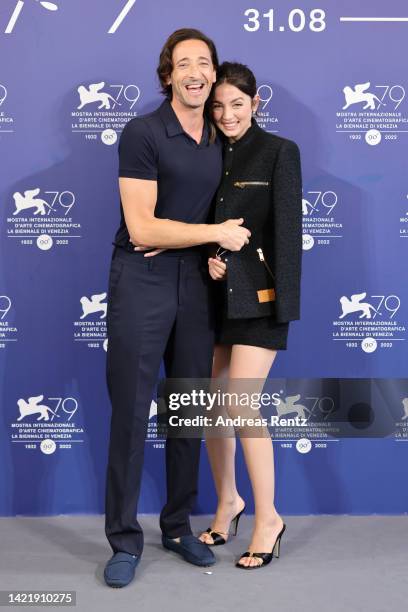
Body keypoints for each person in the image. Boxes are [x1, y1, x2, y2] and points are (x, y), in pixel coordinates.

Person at [103, 32, 251, 588]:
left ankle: (177, 525)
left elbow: (233, 210)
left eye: (204, 63)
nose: (194, 72)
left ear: (214, 75)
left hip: (196, 281)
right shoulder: (143, 132)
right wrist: (211, 233)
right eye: (182, 63)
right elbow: (142, 229)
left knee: (189, 407)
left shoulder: (222, 135)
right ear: (168, 75)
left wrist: (203, 248)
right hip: (142, 280)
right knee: (131, 411)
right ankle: (123, 539)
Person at [197, 62, 303, 569]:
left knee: (240, 405)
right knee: (215, 406)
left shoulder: (280, 151)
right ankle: (227, 503)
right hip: (213, 297)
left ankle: (268, 518)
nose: (227, 114)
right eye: (218, 105)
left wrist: (285, 309)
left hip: (261, 302)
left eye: (237, 104)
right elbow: (201, 226)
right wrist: (210, 260)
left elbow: (286, 236)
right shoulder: (206, 151)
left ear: (255, 103)